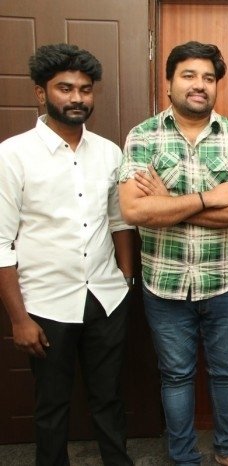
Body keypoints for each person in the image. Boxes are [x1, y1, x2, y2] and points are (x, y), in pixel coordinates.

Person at [118, 41, 228, 466]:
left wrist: (169, 205)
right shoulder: (143, 136)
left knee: (227, 374)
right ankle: (184, 458)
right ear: (168, 83)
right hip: (164, 285)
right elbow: (135, 211)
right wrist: (209, 198)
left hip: (224, 283)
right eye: (189, 75)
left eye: (208, 78)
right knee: (176, 377)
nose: (199, 85)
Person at [0, 43, 135, 466]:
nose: (77, 98)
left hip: (106, 299)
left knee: (108, 397)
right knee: (52, 404)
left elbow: (119, 222)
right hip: (46, 305)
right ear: (41, 93)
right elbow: (1, 243)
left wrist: (126, 279)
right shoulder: (12, 155)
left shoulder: (109, 152)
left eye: (85, 89)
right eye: (65, 88)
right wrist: (19, 319)